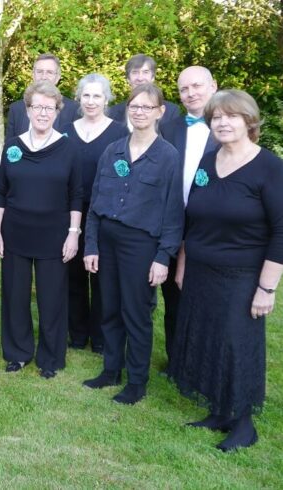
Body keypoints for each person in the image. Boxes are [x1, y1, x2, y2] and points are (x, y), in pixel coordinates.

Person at [168, 90, 283, 452]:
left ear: (249, 121)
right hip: (201, 268)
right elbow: (193, 218)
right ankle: (219, 409)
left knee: (236, 345)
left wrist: (267, 288)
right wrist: (184, 264)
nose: (222, 122)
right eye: (216, 117)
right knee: (209, 339)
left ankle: (243, 423)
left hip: (242, 275)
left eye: (231, 116)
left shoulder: (269, 167)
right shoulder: (207, 162)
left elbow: (281, 230)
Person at [82, 84, 183, 404]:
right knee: (109, 309)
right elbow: (96, 200)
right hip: (108, 240)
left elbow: (173, 212)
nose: (139, 112)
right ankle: (111, 369)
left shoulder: (168, 156)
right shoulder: (113, 150)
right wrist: (91, 245)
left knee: (136, 313)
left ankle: (137, 382)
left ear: (160, 112)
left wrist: (163, 257)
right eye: (134, 106)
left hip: (141, 244)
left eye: (147, 107)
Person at [0, 81, 82, 379]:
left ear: (58, 111)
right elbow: (2, 191)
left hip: (54, 235)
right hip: (16, 231)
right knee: (15, 295)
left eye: (49, 107)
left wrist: (73, 233)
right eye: (37, 107)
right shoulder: (14, 146)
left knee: (52, 298)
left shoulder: (69, 147)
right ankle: (18, 353)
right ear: (27, 109)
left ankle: (50, 358)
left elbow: (76, 195)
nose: (42, 112)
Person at [61, 74, 129, 353]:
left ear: (107, 99)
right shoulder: (64, 130)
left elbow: (126, 175)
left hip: (105, 214)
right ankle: (77, 334)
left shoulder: (121, 133)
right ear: (78, 98)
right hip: (69, 213)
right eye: (86, 95)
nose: (91, 101)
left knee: (103, 276)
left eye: (97, 96)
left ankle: (101, 337)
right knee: (72, 274)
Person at [158, 66, 218, 367]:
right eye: (184, 89)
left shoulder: (230, 127)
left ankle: (203, 362)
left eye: (197, 86)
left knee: (207, 299)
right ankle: (176, 359)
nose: (191, 93)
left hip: (212, 229)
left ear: (213, 86)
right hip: (174, 224)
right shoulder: (171, 128)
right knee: (173, 297)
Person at [5, 53, 79, 137]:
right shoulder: (16, 109)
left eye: (49, 72)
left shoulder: (73, 109)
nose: (44, 77)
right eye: (40, 72)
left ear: (58, 77)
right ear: (33, 75)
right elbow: (9, 146)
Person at [109, 54, 181, 133]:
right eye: (135, 72)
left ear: (153, 77)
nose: (140, 78)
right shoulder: (112, 113)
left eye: (145, 72)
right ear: (128, 79)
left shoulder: (171, 111)